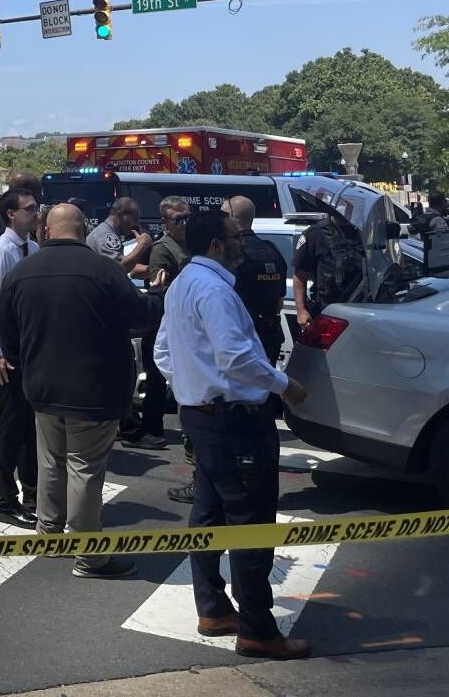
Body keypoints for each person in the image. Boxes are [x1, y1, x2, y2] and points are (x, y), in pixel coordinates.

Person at [153, 210, 311, 660]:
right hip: (234, 419)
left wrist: (189, 384)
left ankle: (214, 608)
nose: (241, 242)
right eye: (233, 236)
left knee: (208, 511)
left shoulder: (185, 282)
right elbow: (235, 356)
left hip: (203, 416)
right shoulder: (213, 287)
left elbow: (165, 350)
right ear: (218, 244)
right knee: (250, 521)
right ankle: (258, 630)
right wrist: (286, 385)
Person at [0, 204, 161, 578]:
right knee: (85, 468)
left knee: (51, 461)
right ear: (82, 230)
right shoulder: (103, 270)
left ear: (48, 231)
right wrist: (157, 296)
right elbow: (140, 316)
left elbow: (6, 333)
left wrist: (26, 360)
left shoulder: (22, 271)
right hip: (94, 387)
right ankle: (89, 555)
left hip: (40, 385)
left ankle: (50, 538)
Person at [0, 186, 43, 527]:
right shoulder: (1, 251)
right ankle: (7, 500)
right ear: (11, 214)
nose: (36, 213)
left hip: (30, 350)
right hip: (11, 352)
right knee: (11, 426)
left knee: (30, 428)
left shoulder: (31, 247)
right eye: (29, 209)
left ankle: (32, 493)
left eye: (36, 208)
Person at [123, 195, 192, 452]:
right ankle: (152, 427)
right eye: (179, 219)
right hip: (165, 322)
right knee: (155, 379)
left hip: (187, 321)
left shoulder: (191, 244)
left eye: (187, 218)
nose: (184, 224)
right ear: (165, 221)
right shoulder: (163, 249)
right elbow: (158, 286)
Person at [224, 196, 288, 365]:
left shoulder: (231, 254)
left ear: (230, 216)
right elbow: (279, 301)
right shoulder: (272, 249)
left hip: (242, 338)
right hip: (270, 335)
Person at [86, 197, 154, 277]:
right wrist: (142, 245)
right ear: (120, 215)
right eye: (134, 219)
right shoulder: (104, 235)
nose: (136, 224)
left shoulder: (110, 232)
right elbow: (119, 268)